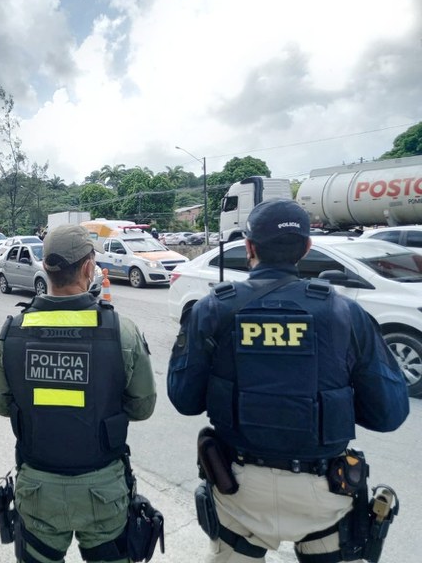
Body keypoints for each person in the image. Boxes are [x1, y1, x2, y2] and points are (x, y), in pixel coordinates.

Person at [167, 199, 409, 563]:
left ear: (249, 247)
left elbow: (184, 400)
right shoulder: (346, 312)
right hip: (326, 492)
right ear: (307, 248)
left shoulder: (213, 308)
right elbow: (388, 414)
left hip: (239, 488)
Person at [0, 224, 157, 563]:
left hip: (38, 490)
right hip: (103, 491)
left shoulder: (11, 333)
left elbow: (3, 405)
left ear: (45, 267)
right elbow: (142, 407)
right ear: (88, 268)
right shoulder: (120, 331)